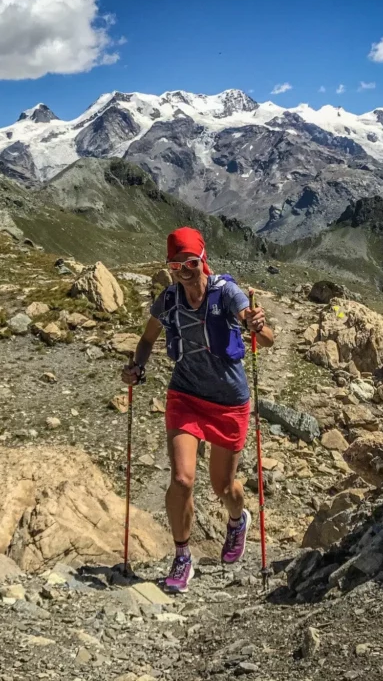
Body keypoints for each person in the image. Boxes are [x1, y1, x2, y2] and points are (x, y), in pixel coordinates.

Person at [122, 227, 274, 592]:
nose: (183, 270)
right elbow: (146, 340)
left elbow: (267, 339)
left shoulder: (227, 293)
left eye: (189, 262)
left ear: (203, 259)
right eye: (175, 265)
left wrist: (257, 324)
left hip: (228, 402)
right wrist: (137, 366)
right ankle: (182, 556)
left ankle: (237, 520)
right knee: (182, 479)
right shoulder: (169, 300)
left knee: (223, 487)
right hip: (185, 395)